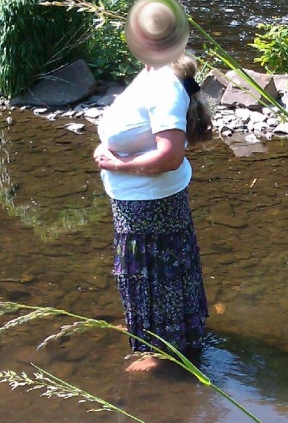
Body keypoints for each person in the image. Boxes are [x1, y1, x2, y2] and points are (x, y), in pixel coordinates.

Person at [93, 53, 212, 372]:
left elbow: (170, 156)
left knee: (154, 274)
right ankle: (151, 328)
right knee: (157, 271)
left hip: (150, 202)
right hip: (139, 199)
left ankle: (161, 351)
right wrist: (108, 150)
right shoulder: (152, 74)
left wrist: (117, 164)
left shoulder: (165, 85)